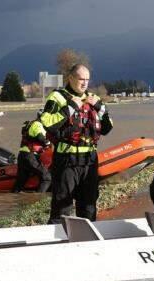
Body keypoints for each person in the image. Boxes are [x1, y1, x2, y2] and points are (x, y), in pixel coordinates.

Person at [39, 64, 113, 223]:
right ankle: (57, 242)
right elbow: (47, 123)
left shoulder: (94, 99)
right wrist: (71, 107)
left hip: (89, 161)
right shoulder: (57, 97)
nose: (85, 83)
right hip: (67, 160)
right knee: (62, 207)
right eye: (81, 79)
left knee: (88, 206)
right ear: (71, 78)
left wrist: (99, 107)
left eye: (87, 79)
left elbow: (107, 128)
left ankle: (88, 241)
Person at [12, 117, 52, 193]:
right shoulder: (37, 124)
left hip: (22, 155)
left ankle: (14, 198)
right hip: (30, 156)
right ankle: (38, 201)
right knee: (46, 178)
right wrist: (49, 143)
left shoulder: (31, 124)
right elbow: (41, 138)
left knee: (20, 182)